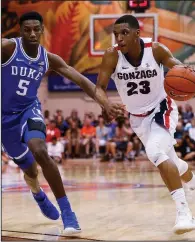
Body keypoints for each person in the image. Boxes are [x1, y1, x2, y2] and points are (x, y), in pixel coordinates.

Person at [2, 11, 124, 235]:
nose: (31, 33)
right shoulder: (7, 49)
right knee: (28, 168)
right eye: (26, 29)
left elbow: (80, 79)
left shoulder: (47, 58)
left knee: (40, 150)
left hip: (29, 110)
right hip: (4, 119)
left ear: (41, 31)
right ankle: (38, 192)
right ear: (20, 31)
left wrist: (105, 103)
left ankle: (68, 214)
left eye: (35, 29)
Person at [95, 14, 195, 234]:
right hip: (137, 118)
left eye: (124, 33)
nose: (119, 38)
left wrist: (188, 78)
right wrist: (106, 105)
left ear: (137, 34)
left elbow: (178, 68)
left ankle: (184, 212)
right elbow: (99, 87)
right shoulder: (111, 56)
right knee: (172, 162)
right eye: (116, 34)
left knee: (155, 152)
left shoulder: (156, 50)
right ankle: (192, 180)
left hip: (162, 109)